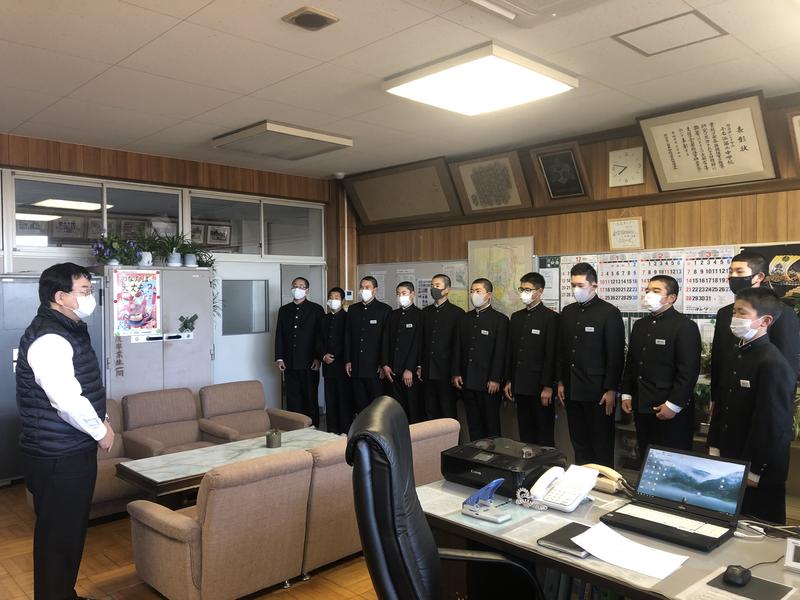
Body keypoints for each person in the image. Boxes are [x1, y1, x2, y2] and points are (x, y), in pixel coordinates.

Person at [16, 263, 114, 600]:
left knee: (67, 534)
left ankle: (63, 594)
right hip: (58, 455)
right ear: (61, 297)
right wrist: (100, 431)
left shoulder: (68, 329)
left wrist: (103, 419)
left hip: (68, 448)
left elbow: (85, 385)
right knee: (58, 538)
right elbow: (66, 400)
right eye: (84, 291)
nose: (90, 296)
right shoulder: (50, 338)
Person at [707, 288, 795, 524]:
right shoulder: (737, 353)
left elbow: (772, 424)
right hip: (732, 457)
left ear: (765, 321)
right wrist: (714, 446)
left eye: (742, 313)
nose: (734, 318)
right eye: (734, 311)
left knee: (759, 526)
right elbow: (722, 405)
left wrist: (755, 469)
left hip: (758, 467)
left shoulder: (772, 363)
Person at [621, 275, 701, 458]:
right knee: (646, 456)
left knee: (672, 459)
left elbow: (688, 371)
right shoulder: (640, 325)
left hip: (669, 407)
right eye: (648, 290)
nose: (649, 294)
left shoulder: (685, 326)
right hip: (642, 405)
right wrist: (626, 393)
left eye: (656, 291)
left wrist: (673, 405)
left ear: (671, 298)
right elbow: (631, 362)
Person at [557, 263, 625, 467]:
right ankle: (582, 481)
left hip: (598, 391)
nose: (576, 289)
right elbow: (562, 350)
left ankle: (603, 483)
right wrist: (560, 382)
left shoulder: (609, 312)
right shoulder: (567, 312)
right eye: (573, 285)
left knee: (601, 444)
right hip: (571, 388)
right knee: (579, 443)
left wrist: (611, 389)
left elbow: (615, 355)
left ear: (594, 285)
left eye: (580, 285)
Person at [711, 252, 800, 408]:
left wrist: (780, 406)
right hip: (727, 398)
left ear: (758, 277)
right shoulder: (724, 313)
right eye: (730, 271)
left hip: (763, 399)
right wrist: (714, 398)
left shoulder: (783, 313)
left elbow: (788, 365)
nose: (732, 276)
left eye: (739, 272)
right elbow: (719, 358)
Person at [504, 272, 559, 446]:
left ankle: (547, 464)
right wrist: (509, 380)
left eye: (528, 290)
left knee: (544, 434)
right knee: (525, 434)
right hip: (520, 385)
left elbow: (551, 354)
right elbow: (511, 352)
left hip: (540, 387)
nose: (523, 293)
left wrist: (548, 386)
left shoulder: (551, 318)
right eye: (521, 289)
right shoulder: (516, 317)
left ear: (540, 291)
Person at [452, 278, 508, 441]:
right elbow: (457, 348)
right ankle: (476, 455)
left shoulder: (500, 320)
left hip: (488, 383)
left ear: (488, 295)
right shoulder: (464, 318)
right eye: (472, 291)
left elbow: (500, 352)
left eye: (478, 291)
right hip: (467, 381)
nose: (474, 294)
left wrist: (495, 378)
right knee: (473, 425)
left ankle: (494, 456)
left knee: (491, 426)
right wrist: (456, 373)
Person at [274, 277, 324, 427]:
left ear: (307, 290)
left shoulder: (316, 309)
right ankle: (295, 428)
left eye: (301, 286)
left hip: (310, 362)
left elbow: (320, 336)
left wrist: (318, 357)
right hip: (289, 362)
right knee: (292, 397)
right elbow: (279, 335)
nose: (297, 289)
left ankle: (312, 428)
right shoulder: (284, 310)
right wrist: (279, 358)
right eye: (295, 286)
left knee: (310, 397)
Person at [418, 274, 464, 421]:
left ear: (447, 289)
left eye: (437, 286)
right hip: (427, 371)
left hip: (447, 372)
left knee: (448, 411)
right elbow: (421, 342)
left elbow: (458, 346)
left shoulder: (457, 313)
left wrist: (456, 372)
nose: (434, 289)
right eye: (432, 285)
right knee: (429, 411)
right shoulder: (425, 312)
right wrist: (419, 365)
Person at [345, 276, 392, 412]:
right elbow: (348, 335)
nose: (363, 290)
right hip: (356, 365)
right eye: (362, 287)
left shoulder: (385, 309)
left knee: (376, 404)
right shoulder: (353, 309)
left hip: (375, 367)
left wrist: (383, 363)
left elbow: (386, 340)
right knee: (359, 402)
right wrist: (348, 360)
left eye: (367, 287)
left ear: (375, 290)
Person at [381, 282, 423, 422]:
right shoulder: (393, 315)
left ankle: (414, 434)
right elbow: (385, 340)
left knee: (412, 407)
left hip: (409, 371)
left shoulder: (419, 315)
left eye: (404, 293)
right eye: (398, 294)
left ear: (412, 294)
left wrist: (409, 368)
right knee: (395, 408)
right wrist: (385, 364)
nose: (400, 296)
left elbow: (417, 344)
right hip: (392, 370)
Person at [322, 287, 352, 434]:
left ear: (342, 300)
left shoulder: (348, 318)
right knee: (330, 399)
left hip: (342, 365)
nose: (333, 300)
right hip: (327, 366)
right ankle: (331, 429)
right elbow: (318, 339)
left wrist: (336, 355)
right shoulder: (324, 318)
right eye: (331, 297)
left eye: (336, 297)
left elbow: (348, 341)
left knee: (344, 399)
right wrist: (323, 355)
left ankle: (345, 429)